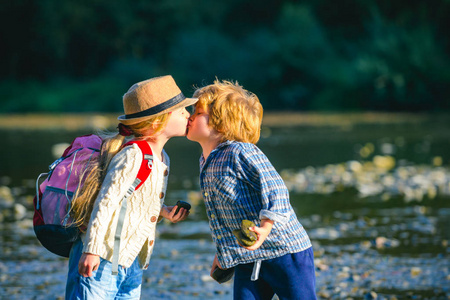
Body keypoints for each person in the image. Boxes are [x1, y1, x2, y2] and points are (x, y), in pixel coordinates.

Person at [65, 75, 197, 299]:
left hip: (131, 258)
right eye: (181, 110)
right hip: (103, 256)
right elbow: (106, 202)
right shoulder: (133, 155)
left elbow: (134, 200)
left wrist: (163, 211)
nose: (188, 114)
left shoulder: (163, 157)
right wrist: (91, 249)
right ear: (157, 122)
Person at [186, 79, 317, 299]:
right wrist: (223, 254)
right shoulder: (205, 161)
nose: (189, 117)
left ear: (222, 123)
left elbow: (276, 189)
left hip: (285, 251)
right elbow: (222, 215)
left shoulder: (242, 152)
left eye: (197, 113)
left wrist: (265, 227)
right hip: (246, 255)